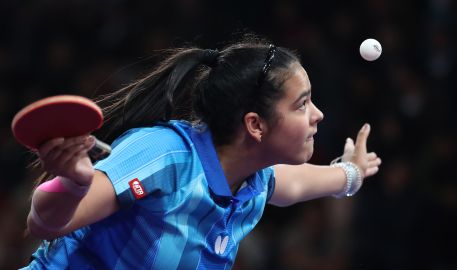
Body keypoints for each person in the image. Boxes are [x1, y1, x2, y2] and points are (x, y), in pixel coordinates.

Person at [22, 36, 382, 269]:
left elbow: (301, 183)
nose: (318, 114)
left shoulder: (253, 182)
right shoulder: (164, 155)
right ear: (255, 125)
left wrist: (352, 172)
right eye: (302, 105)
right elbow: (44, 224)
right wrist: (72, 183)